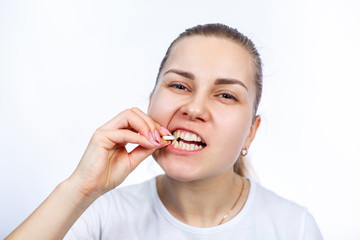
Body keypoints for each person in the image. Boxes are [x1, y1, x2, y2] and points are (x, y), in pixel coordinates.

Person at [6, 23, 323, 240]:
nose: (194, 109)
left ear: (251, 133)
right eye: (179, 85)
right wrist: (80, 189)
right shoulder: (98, 215)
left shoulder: (293, 227)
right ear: (151, 102)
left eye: (226, 94)